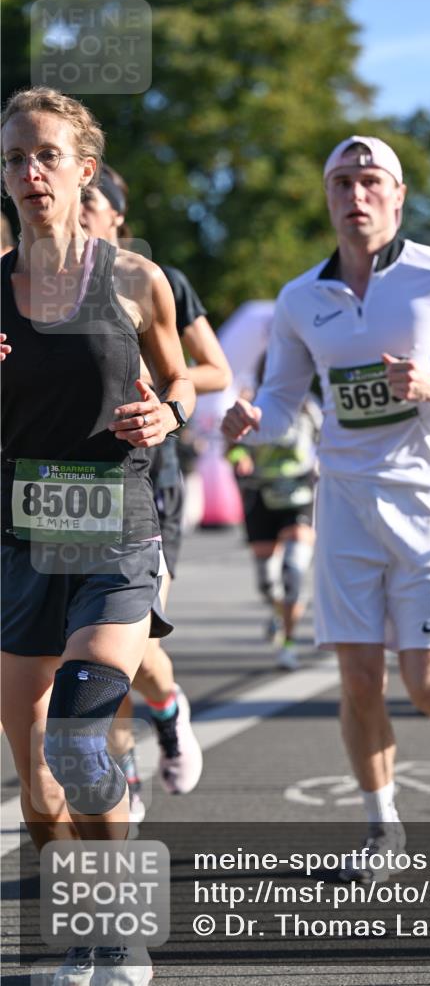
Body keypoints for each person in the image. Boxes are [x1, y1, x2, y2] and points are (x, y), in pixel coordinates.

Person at [223, 135, 430, 878]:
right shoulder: (299, 300)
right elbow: (287, 401)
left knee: (424, 682)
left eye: (370, 180)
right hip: (343, 502)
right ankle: (382, 826)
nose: (356, 194)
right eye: (342, 182)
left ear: (398, 194)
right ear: (328, 197)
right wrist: (256, 420)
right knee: (357, 677)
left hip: (422, 503)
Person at [1, 86, 195, 986]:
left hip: (116, 530)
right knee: (34, 775)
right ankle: (81, 934)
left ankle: (119, 941)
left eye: (46, 155)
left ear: (86, 169)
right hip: (21, 539)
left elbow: (182, 378)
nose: (30, 173)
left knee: (79, 742)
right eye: (14, 160)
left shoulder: (133, 278)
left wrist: (168, 413)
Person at [80, 165, 232, 817]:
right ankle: (124, 779)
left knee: (134, 646)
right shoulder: (28, 283)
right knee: (87, 649)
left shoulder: (153, 282)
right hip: (62, 484)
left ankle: (167, 711)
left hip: (146, 481)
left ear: (117, 216)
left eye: (89, 201)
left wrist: (136, 361)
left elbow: (212, 371)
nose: (73, 210)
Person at [228, 353, 320, 670]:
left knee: (293, 571)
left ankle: (289, 644)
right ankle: (280, 611)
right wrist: (240, 455)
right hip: (261, 494)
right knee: (268, 584)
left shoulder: (308, 405)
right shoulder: (251, 402)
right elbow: (232, 444)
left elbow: (327, 440)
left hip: (299, 493)